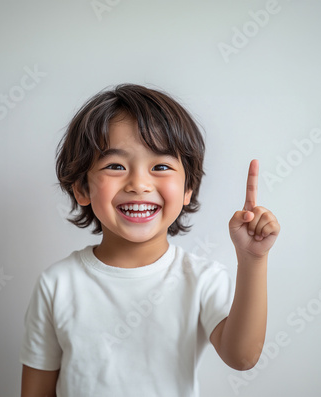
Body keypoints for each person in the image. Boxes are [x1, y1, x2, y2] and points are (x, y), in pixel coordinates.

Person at [20, 84, 280, 397]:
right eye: (115, 165)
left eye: (160, 166)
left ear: (188, 189)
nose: (139, 184)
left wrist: (253, 259)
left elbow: (242, 357)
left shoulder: (201, 279)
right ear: (82, 188)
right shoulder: (56, 285)